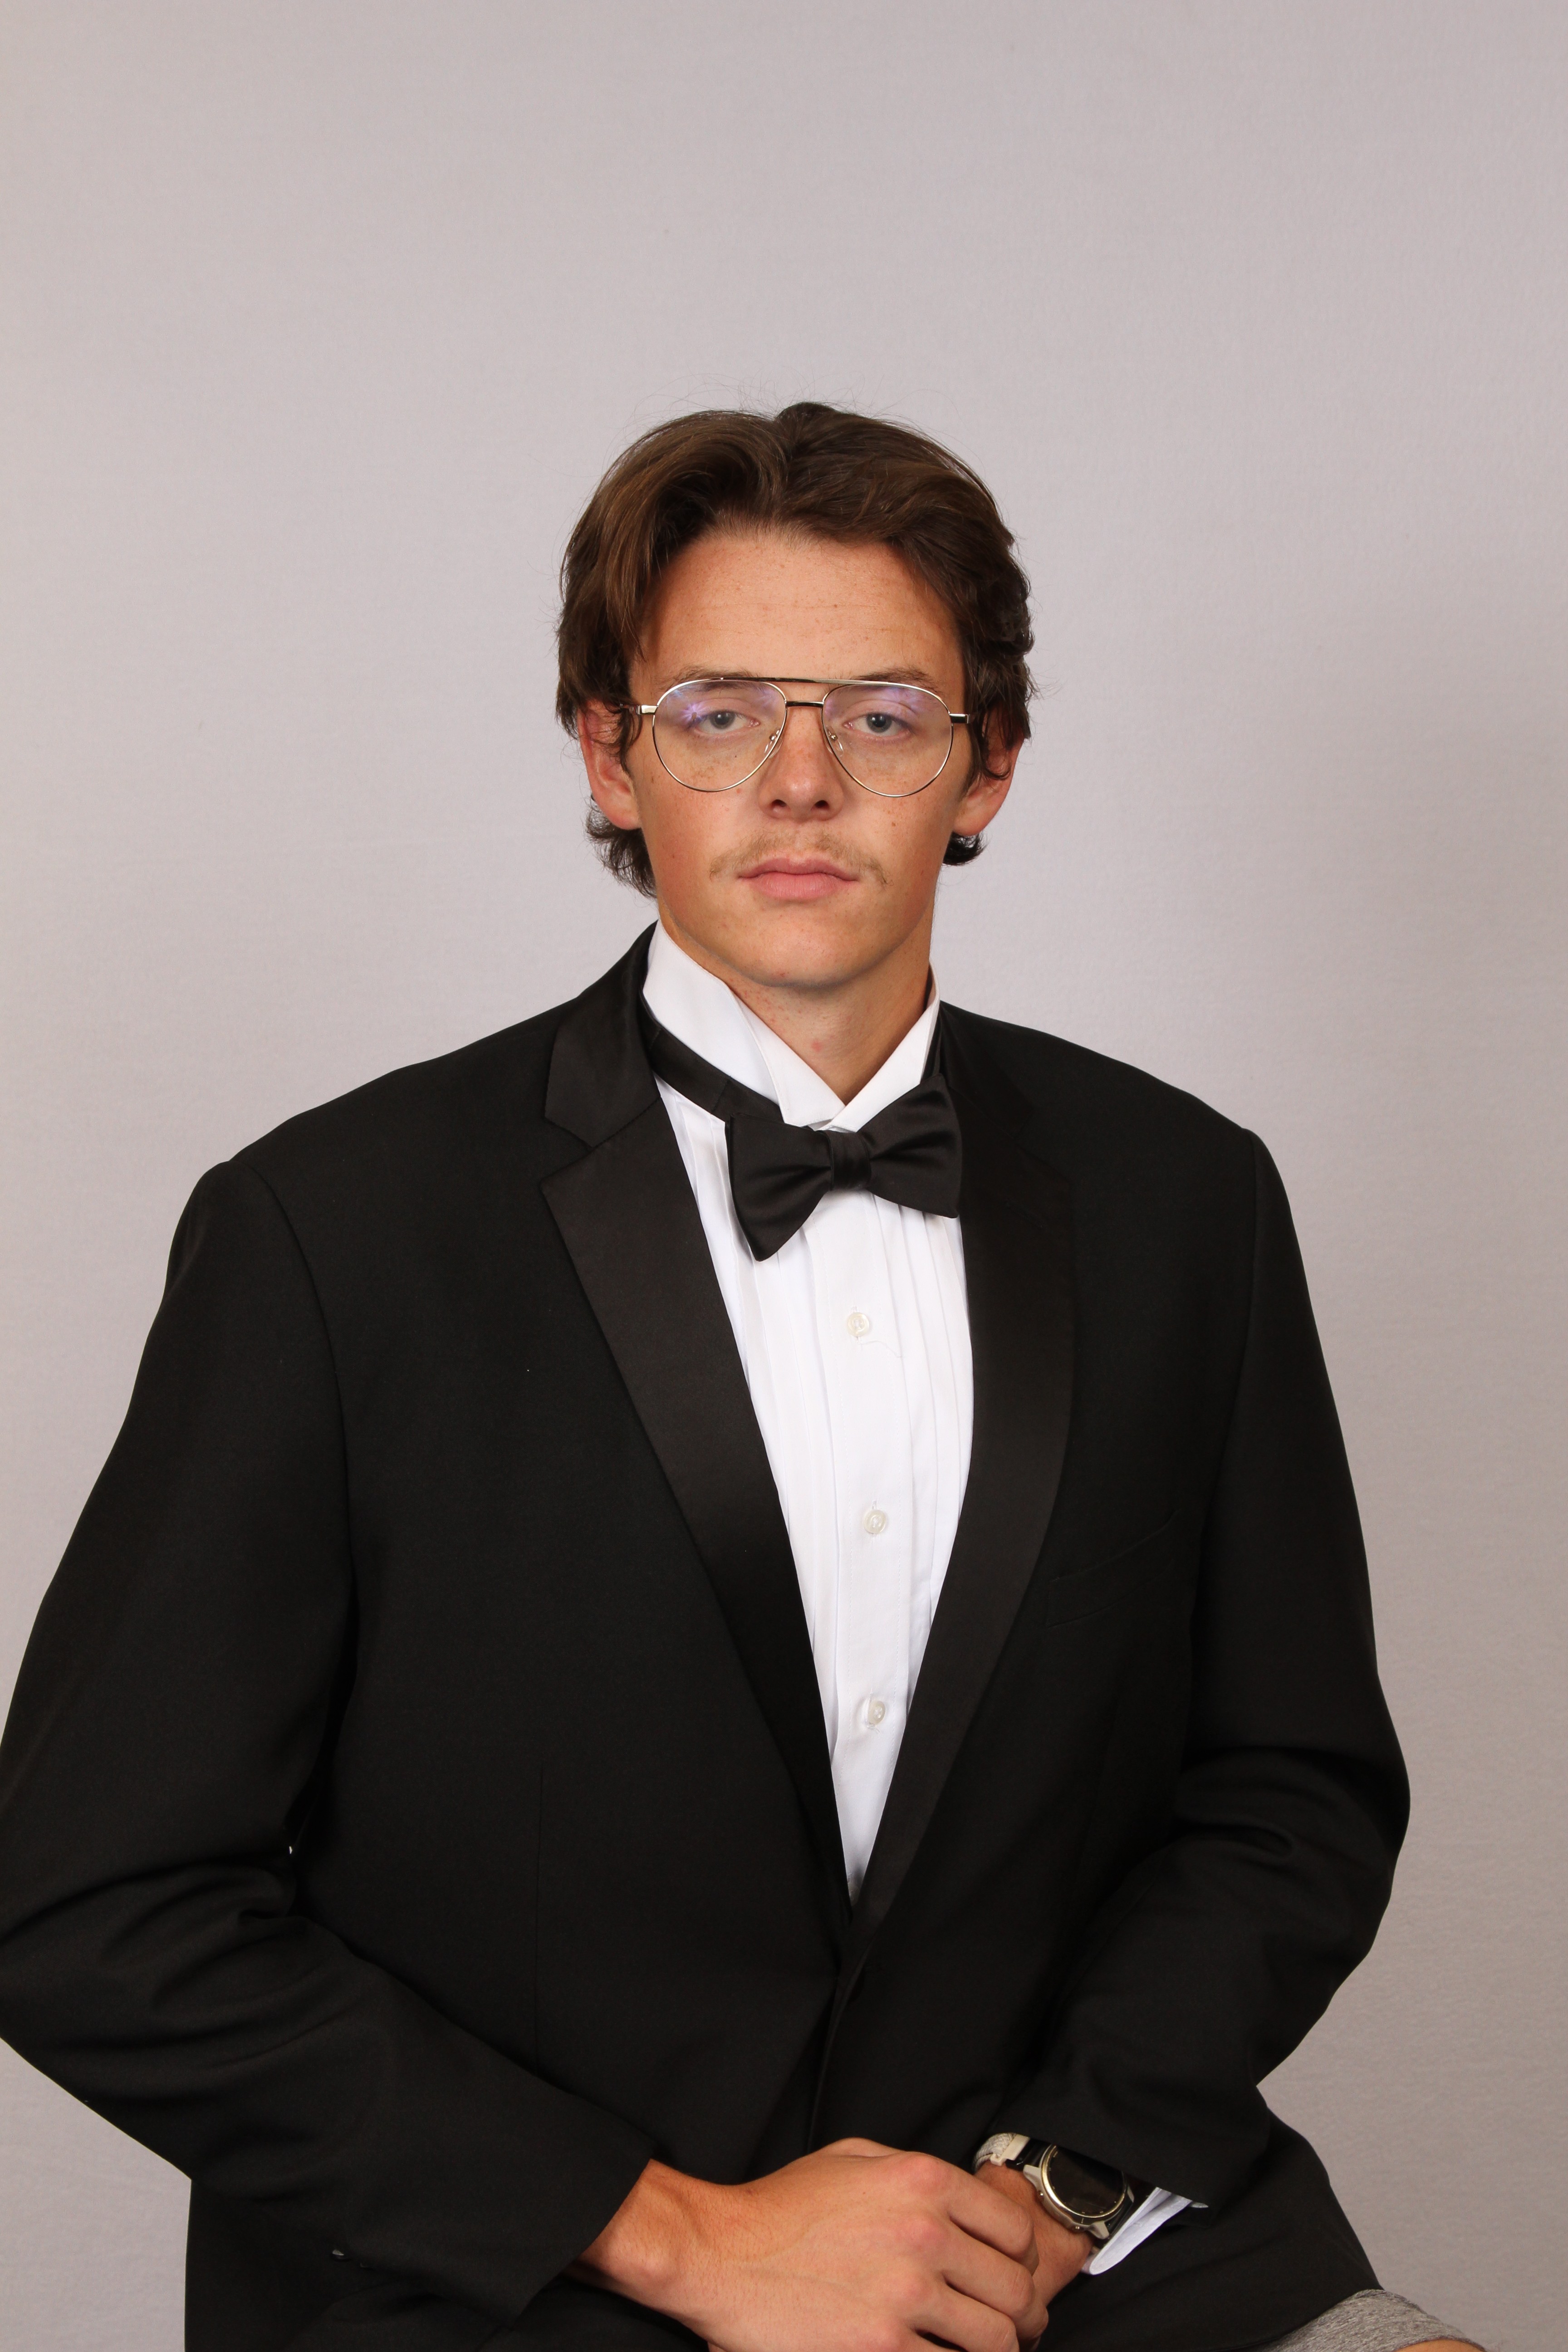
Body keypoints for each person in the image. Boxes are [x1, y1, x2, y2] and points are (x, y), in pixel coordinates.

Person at [0, 403, 1477, 2352]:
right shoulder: (326, 1232)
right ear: (609, 757)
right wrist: (680, 2238)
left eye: (882, 714)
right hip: (530, 2281)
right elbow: (88, 1904)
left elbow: (1291, 1791)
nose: (800, 779)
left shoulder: (1187, 1200)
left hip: (1068, 2247)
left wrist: (1056, 2193)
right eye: (717, 713)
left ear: (988, 765)